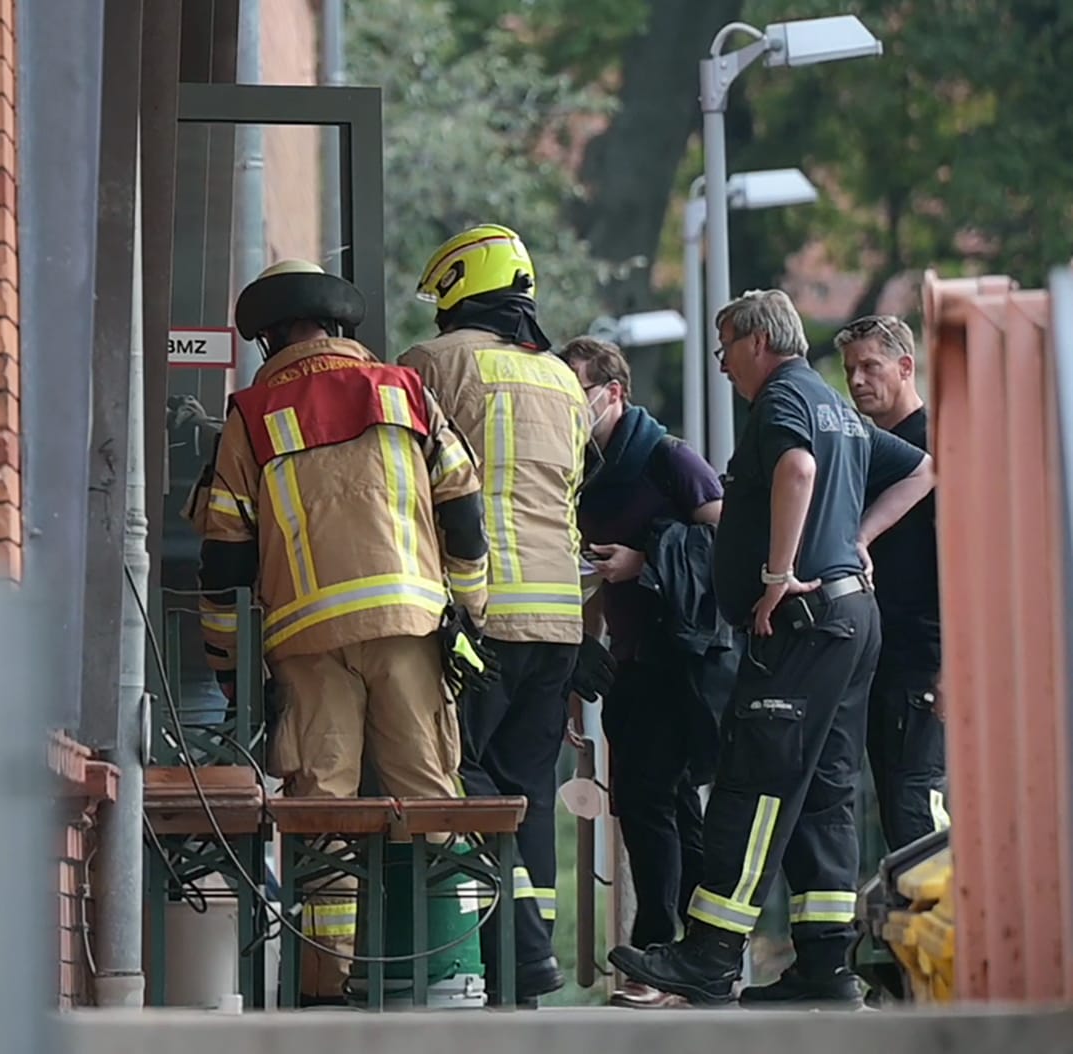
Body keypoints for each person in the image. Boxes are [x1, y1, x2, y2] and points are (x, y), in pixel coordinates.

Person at [608, 290, 936, 1009]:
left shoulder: (784, 398)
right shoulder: (834, 405)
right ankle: (825, 965)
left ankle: (709, 952)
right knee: (823, 793)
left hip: (803, 623)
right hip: (852, 618)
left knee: (751, 784)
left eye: (725, 346)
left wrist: (778, 574)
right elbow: (922, 468)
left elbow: (797, 471)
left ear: (759, 341)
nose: (721, 364)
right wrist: (858, 541)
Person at [184, 259, 490, 1004]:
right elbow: (464, 506)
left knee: (324, 809)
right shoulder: (404, 390)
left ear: (267, 338)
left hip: (306, 639)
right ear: (341, 325)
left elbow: (222, 558)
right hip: (410, 624)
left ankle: (323, 987)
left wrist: (227, 667)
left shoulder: (250, 416)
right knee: (430, 797)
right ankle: (450, 975)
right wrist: (470, 612)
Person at [398, 224, 589, 1005]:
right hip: (560, 621)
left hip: (483, 616)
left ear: (456, 292)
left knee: (463, 780)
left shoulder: (433, 364)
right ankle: (524, 980)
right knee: (529, 793)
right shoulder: (566, 382)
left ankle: (523, 943)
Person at [558, 337, 736, 1006]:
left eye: (577, 392)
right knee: (659, 803)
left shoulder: (667, 457)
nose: (569, 406)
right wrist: (586, 669)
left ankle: (661, 947)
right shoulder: (587, 472)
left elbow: (725, 538)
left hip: (683, 658)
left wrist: (646, 559)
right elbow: (598, 578)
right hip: (631, 659)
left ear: (613, 392)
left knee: (648, 799)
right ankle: (693, 953)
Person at [837, 315, 948, 851]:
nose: (858, 380)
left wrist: (954, 665)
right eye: (850, 369)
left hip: (923, 662)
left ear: (906, 367)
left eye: (870, 366)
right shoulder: (871, 452)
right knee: (896, 810)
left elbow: (965, 565)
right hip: (879, 659)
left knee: (915, 805)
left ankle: (951, 929)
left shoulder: (940, 448)